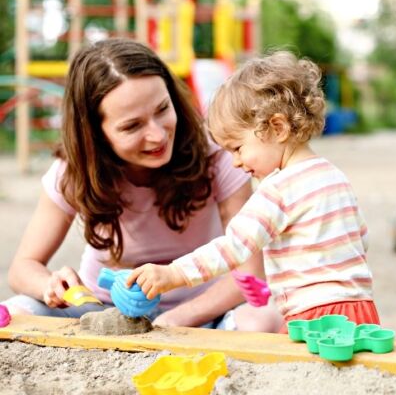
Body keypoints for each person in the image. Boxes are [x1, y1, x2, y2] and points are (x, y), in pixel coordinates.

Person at [2, 38, 282, 332]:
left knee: (264, 318)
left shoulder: (218, 153)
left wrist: (177, 319)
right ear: (95, 134)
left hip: (201, 310)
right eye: (132, 126)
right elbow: (23, 267)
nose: (158, 136)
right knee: (16, 310)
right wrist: (49, 284)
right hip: (100, 310)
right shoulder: (72, 172)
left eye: (162, 109)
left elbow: (250, 275)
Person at [127, 51, 381, 333]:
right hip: (361, 310)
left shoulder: (278, 189)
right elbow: (360, 238)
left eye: (238, 148)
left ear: (277, 127)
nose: (235, 161)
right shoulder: (334, 176)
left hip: (313, 316)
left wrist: (174, 273)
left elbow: (233, 248)